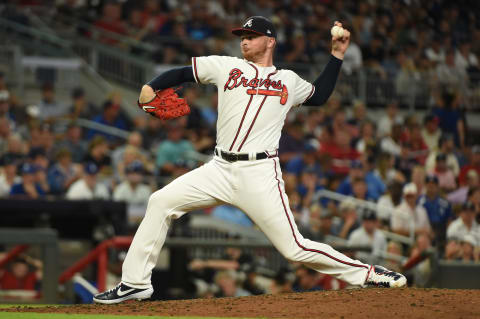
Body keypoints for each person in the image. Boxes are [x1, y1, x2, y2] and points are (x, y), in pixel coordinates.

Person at [93, 18, 406, 304]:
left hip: (259, 172)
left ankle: (367, 273)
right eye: (242, 36)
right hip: (218, 168)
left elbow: (320, 95)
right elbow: (182, 74)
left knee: (293, 247)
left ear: (270, 41)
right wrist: (151, 87)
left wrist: (336, 55)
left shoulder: (288, 79)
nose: (244, 41)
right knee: (160, 201)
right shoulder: (227, 66)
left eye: (252, 36)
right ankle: (134, 282)